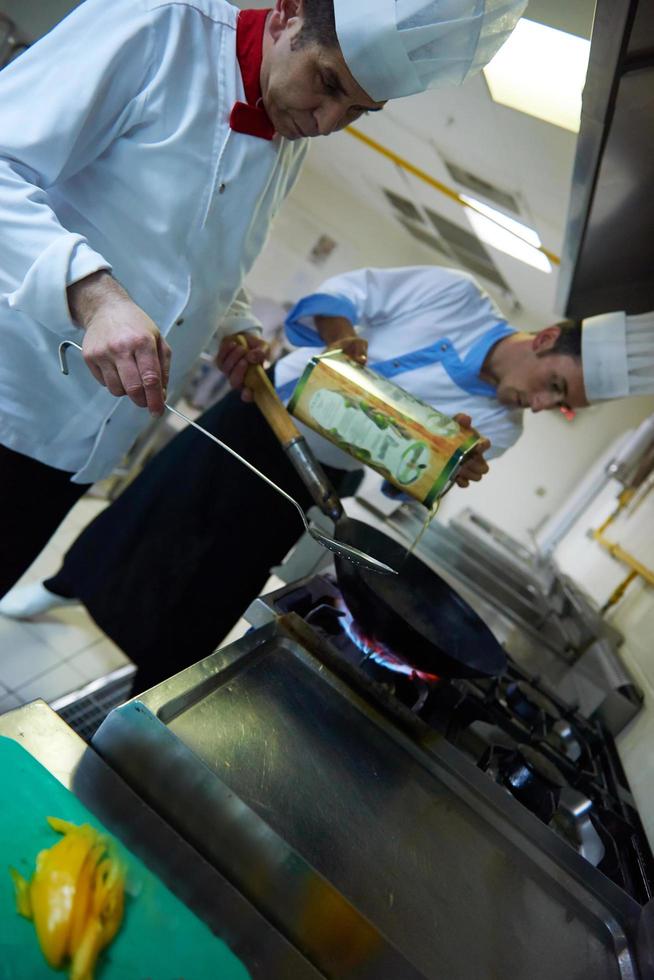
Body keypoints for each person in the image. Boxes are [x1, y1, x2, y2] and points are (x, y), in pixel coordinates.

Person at [0, 0, 526, 599]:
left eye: (357, 111)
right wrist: (94, 296)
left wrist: (235, 325)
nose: (328, 122)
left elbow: (202, 261)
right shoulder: (161, 26)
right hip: (10, 392)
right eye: (327, 83)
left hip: (80, 450)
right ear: (287, 12)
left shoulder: (290, 135)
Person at [4, 265, 653, 693]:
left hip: (319, 476)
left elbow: (400, 488)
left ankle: (153, 684)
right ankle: (66, 586)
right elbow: (350, 294)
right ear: (543, 341)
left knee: (222, 577)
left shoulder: (499, 431)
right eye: (554, 386)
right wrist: (344, 339)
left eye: (561, 405)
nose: (541, 405)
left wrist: (436, 467)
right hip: (265, 412)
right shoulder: (456, 296)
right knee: (157, 510)